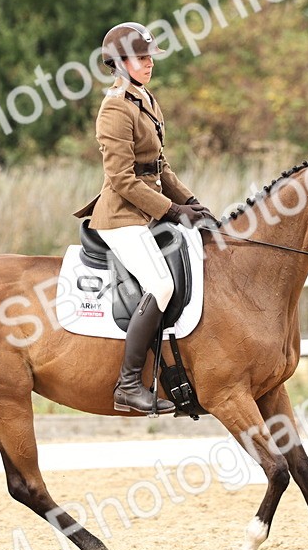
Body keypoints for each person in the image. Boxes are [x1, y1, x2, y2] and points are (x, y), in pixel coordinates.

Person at [73, 21, 215, 414]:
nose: (149, 63)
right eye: (141, 57)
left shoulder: (145, 99)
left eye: (150, 56)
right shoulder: (115, 108)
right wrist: (173, 210)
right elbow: (122, 179)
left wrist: (193, 203)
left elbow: (159, 167)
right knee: (160, 284)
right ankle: (128, 384)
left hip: (147, 212)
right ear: (119, 63)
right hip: (121, 217)